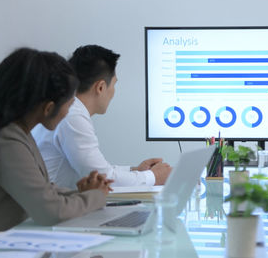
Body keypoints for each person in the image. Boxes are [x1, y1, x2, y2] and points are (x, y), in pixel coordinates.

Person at [0, 48, 113, 235]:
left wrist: (85, 194)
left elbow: (41, 190)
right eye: (69, 105)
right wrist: (95, 196)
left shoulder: (15, 132)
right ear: (48, 108)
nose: (69, 113)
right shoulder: (7, 140)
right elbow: (50, 212)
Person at [32, 45, 171, 190]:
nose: (114, 92)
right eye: (114, 84)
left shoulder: (72, 110)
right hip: (59, 207)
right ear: (100, 87)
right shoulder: (73, 116)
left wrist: (136, 171)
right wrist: (153, 177)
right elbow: (102, 177)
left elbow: (100, 169)